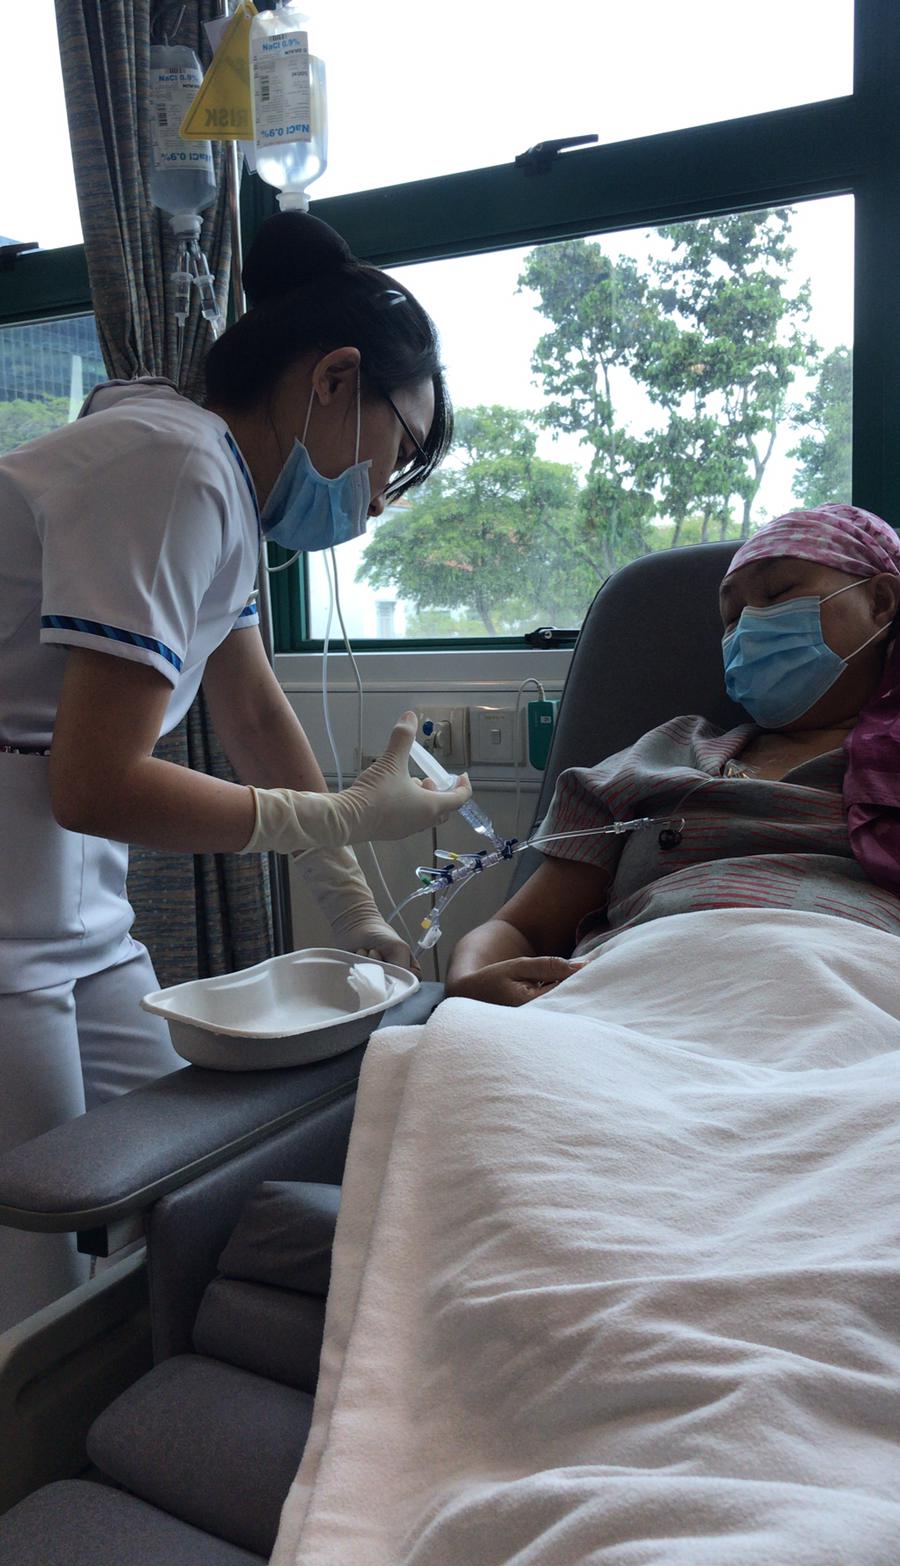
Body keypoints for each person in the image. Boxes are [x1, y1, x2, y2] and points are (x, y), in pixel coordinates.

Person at [0, 210, 470, 1330]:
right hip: (21, 883)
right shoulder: (171, 467)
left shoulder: (214, 485)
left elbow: (251, 710)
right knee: (38, 1259)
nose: (377, 502)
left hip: (67, 893)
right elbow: (95, 782)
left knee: (178, 1176)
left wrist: (354, 904)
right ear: (335, 380)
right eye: (395, 454)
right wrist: (338, 817)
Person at [447, 503, 900, 1007]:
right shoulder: (664, 753)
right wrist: (467, 981)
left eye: (778, 594)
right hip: (630, 997)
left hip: (845, 998)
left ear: (881, 602)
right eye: (732, 618)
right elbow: (520, 930)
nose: (750, 627)